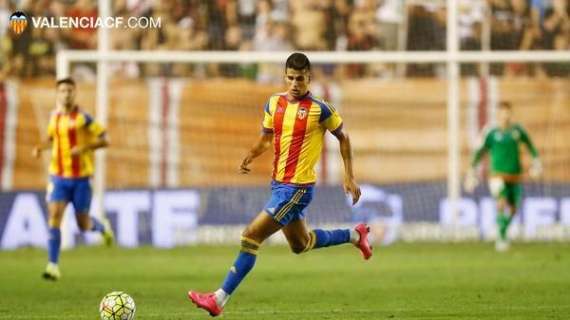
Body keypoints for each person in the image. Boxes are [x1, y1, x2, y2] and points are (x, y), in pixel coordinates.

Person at [187, 52, 372, 317]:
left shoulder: (321, 109)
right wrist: (252, 154)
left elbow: (343, 138)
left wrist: (349, 176)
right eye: (290, 78)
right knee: (301, 244)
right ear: (284, 76)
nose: (295, 83)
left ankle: (218, 299)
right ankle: (356, 235)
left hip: (297, 189)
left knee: (250, 237)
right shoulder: (274, 103)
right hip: (278, 185)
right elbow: (267, 137)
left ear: (309, 77)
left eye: (300, 78)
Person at [32, 77, 114, 280]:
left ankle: (101, 227)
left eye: (69, 90)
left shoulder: (84, 118)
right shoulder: (54, 117)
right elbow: (53, 139)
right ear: (57, 94)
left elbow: (105, 140)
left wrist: (85, 147)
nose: (66, 94)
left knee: (83, 225)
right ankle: (52, 265)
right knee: (54, 216)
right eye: (62, 91)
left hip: (81, 179)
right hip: (58, 177)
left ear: (75, 93)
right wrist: (40, 148)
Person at [465, 101, 541, 251]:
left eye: (507, 112)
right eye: (502, 112)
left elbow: (531, 146)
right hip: (497, 175)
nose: (505, 115)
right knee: (501, 201)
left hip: (515, 175)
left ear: (511, 114)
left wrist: (536, 162)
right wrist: (471, 170)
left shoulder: (518, 131)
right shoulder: (491, 132)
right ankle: (501, 238)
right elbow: (480, 151)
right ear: (498, 114)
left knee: (513, 208)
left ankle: (502, 230)